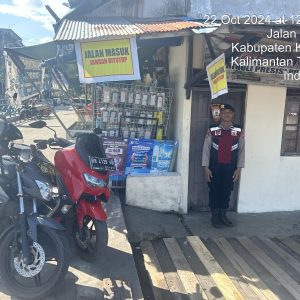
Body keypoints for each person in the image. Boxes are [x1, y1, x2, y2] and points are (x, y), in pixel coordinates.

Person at [202, 104, 245, 228]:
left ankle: (223, 215)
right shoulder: (212, 129)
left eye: (229, 112)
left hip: (230, 167)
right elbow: (206, 148)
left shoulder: (239, 130)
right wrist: (206, 167)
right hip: (214, 166)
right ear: (220, 115)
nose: (227, 114)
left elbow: (242, 150)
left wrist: (239, 168)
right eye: (224, 112)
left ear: (233, 114)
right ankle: (215, 217)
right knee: (214, 190)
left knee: (226, 191)